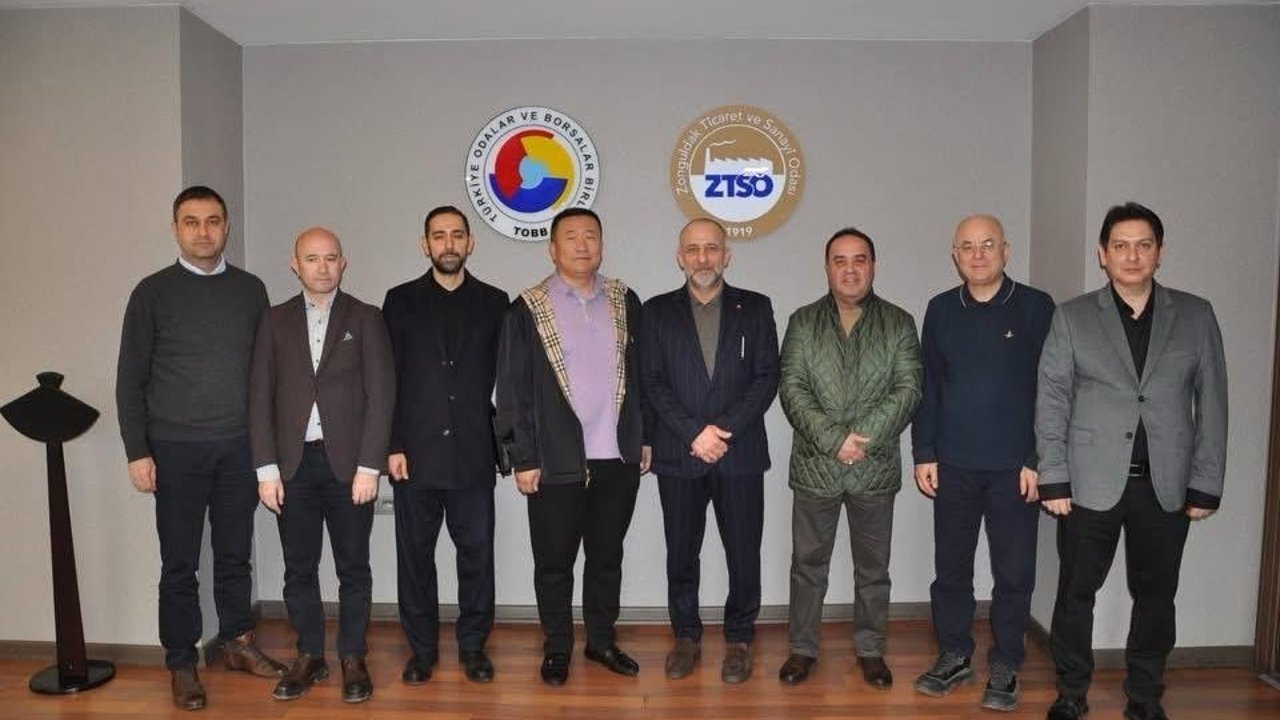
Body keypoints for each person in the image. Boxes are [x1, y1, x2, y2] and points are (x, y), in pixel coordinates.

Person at [1037, 202, 1227, 720]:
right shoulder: (1072, 317)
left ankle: (1145, 697)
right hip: (1087, 483)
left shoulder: (1195, 315)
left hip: (1166, 485)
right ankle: (1071, 693)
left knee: (1157, 597)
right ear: (1103, 255)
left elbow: (1213, 402)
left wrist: (1206, 482)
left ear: (1159, 252)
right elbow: (1052, 400)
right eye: (1120, 246)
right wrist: (1053, 476)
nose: (1132, 255)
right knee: (1075, 594)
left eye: (1144, 245)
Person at [116, 185, 284, 711]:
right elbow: (129, 379)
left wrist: (267, 447)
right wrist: (137, 451)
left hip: (238, 446)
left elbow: (266, 374)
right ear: (175, 230)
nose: (203, 232)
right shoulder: (152, 293)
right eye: (191, 222)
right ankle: (181, 661)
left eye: (212, 221)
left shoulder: (251, 290)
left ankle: (236, 642)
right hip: (175, 449)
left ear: (226, 227)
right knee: (179, 563)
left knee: (235, 555)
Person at [494, 207, 650, 686]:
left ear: (601, 244)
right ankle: (557, 647)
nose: (582, 245)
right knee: (554, 564)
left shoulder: (625, 300)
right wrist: (523, 458)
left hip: (616, 457)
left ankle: (601, 641)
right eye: (571, 237)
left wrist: (643, 436)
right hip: (554, 461)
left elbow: (643, 376)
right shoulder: (527, 308)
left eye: (591, 236)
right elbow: (512, 389)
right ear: (552, 248)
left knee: (606, 558)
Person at [910, 214, 1055, 711]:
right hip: (952, 465)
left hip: (1016, 469)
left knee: (1013, 573)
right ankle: (954, 654)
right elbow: (929, 386)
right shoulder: (940, 310)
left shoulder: (1037, 307)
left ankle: (1007, 662)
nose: (977, 255)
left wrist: (1038, 458)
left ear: (1006, 251)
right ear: (955, 255)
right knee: (951, 569)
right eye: (967, 246)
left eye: (988, 245)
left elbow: (1052, 390)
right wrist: (924, 452)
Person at [249, 227, 395, 704]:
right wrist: (265, 469)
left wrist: (370, 466)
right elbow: (259, 397)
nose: (323, 267)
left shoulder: (366, 317)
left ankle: (353, 656)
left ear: (342, 262)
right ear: (296, 265)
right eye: (312, 259)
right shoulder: (273, 320)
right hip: (292, 467)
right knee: (299, 568)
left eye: (331, 257)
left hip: (349, 468)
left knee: (354, 567)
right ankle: (309, 655)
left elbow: (381, 395)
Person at [776, 227, 921, 689]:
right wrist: (834, 440)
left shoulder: (899, 323)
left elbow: (908, 389)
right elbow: (792, 388)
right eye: (840, 260)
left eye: (859, 259)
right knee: (807, 567)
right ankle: (802, 649)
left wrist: (863, 440)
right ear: (827, 268)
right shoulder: (803, 322)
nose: (850, 269)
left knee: (873, 571)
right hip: (815, 467)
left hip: (874, 470)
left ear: (873, 266)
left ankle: (871, 650)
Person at [643, 217, 779, 684]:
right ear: (680, 257)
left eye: (712, 248)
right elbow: (653, 382)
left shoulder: (755, 307)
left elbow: (767, 377)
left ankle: (739, 637)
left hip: (739, 454)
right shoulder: (656, 312)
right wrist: (693, 434)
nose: (703, 258)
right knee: (681, 552)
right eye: (693, 249)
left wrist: (722, 431)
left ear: (727, 254)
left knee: (743, 551)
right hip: (679, 454)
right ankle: (686, 636)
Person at [382, 206, 509, 684]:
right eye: (439, 236)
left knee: (477, 557)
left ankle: (474, 646)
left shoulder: (496, 302)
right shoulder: (399, 301)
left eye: (457, 235)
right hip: (414, 455)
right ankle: (422, 650)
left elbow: (509, 382)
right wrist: (392, 443)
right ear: (425, 244)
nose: (448, 244)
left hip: (473, 453)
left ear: (470, 242)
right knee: (415, 559)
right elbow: (387, 379)